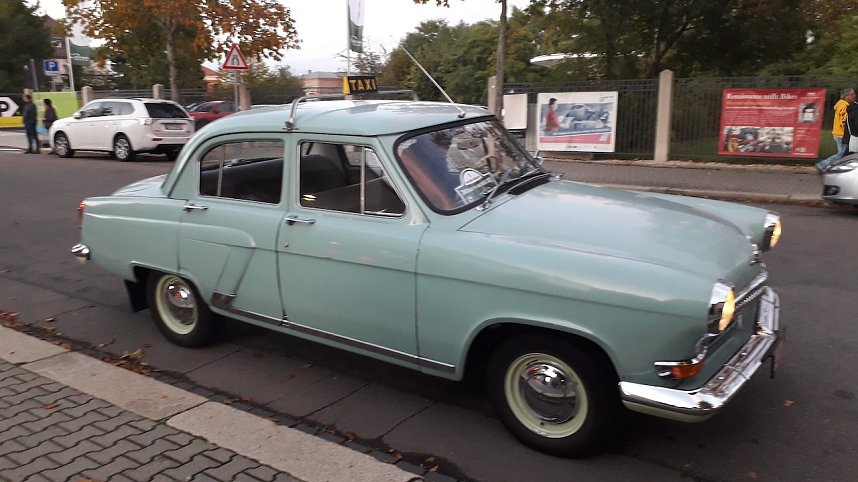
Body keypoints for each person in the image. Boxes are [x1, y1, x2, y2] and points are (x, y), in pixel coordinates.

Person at [816, 88, 855, 172]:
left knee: (847, 154)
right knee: (841, 154)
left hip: (841, 134)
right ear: (846, 96)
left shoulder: (844, 105)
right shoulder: (844, 106)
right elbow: (843, 121)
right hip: (841, 135)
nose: (854, 96)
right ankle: (822, 165)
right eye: (852, 94)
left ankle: (841, 169)